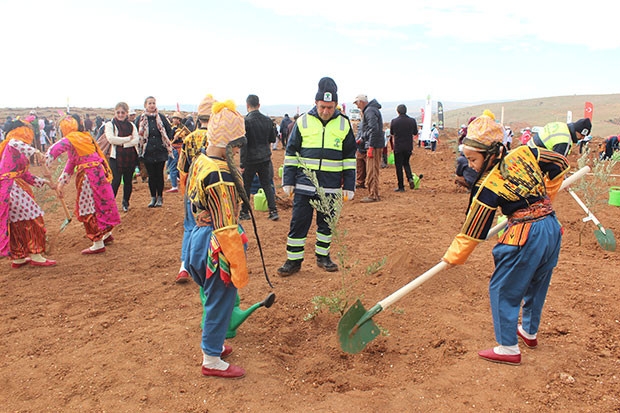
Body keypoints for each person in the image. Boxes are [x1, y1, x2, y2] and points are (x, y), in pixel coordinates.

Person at [441, 110, 570, 366]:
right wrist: (548, 198)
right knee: (537, 282)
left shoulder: (490, 185)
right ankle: (529, 332)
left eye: (473, 159)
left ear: (490, 154)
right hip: (551, 229)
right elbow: (559, 163)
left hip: (525, 234)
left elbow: (473, 231)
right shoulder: (525, 153)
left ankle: (508, 348)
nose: (470, 165)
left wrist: (452, 258)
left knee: (502, 288)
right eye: (466, 158)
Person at [183, 99, 249, 379]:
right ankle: (211, 358)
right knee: (220, 300)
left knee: (211, 299)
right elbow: (225, 228)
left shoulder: (202, 159)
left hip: (196, 240)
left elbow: (192, 202)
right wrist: (238, 266)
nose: (238, 152)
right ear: (228, 144)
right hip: (216, 247)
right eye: (236, 146)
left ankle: (215, 345)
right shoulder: (221, 175)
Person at [278, 77, 356, 276]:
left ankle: (323, 257)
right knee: (298, 224)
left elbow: (349, 157)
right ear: (316, 103)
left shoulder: (344, 124)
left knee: (327, 224)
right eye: (322, 107)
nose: (326, 111)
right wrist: (288, 180)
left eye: (330, 107)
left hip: (330, 186)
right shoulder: (303, 121)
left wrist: (349, 184)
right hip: (304, 185)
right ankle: (293, 261)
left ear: (336, 105)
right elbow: (291, 152)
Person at [46, 114, 121, 254]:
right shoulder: (85, 137)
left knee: (88, 206)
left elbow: (55, 150)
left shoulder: (72, 138)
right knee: (102, 202)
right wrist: (61, 183)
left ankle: (98, 242)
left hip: (88, 176)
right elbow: (72, 161)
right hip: (99, 172)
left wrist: (45, 161)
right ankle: (106, 234)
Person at [0, 119, 57, 267]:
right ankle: (36, 253)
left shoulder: (13, 148)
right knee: (33, 217)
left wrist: (44, 182)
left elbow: (25, 174)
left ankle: (18, 256)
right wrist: (37, 152)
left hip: (11, 188)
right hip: (12, 188)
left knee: (16, 222)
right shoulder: (12, 143)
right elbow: (16, 143)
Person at [175, 95, 215, 284]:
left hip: (192, 190)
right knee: (212, 227)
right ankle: (208, 265)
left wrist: (186, 190)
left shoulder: (189, 138)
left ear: (199, 118)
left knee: (190, 227)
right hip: (213, 191)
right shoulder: (216, 139)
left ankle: (184, 266)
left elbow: (182, 169)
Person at [239, 94, 279, 221]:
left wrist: (242, 164)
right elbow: (272, 139)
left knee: (246, 185)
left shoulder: (246, 121)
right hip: (265, 158)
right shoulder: (268, 121)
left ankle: (245, 212)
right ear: (259, 105)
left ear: (247, 105)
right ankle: (273, 211)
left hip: (250, 159)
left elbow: (244, 145)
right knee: (267, 184)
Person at [135, 96, 174, 208]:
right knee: (151, 176)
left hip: (160, 151)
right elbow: (136, 133)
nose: (152, 105)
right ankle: (153, 197)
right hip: (147, 152)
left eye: (153, 103)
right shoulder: (140, 119)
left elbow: (169, 130)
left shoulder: (161, 117)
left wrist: (165, 141)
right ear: (145, 105)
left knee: (159, 175)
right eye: (149, 103)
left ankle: (160, 197)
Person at [105, 102, 140, 212]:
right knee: (116, 181)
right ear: (115, 112)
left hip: (130, 157)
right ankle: (110, 204)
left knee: (128, 181)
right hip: (116, 157)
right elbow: (111, 139)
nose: (120, 115)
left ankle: (126, 202)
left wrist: (123, 144)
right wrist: (126, 139)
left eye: (123, 112)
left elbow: (136, 139)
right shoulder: (110, 125)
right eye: (118, 112)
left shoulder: (131, 125)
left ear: (126, 113)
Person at [354, 94, 384, 202]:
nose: (357, 106)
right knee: (372, 169)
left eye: (357, 103)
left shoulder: (369, 111)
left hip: (374, 145)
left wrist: (371, 146)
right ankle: (373, 192)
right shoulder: (371, 110)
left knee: (372, 170)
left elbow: (373, 129)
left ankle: (373, 195)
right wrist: (362, 139)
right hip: (373, 143)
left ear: (361, 102)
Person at [389, 104, 418, 192]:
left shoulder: (394, 121)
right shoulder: (412, 121)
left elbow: (392, 133)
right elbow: (415, 132)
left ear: (398, 111)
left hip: (398, 147)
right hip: (408, 146)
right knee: (406, 163)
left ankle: (401, 186)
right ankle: (410, 178)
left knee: (399, 167)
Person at [527, 118, 592, 157]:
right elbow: (557, 164)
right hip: (535, 157)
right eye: (582, 135)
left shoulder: (561, 125)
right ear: (577, 131)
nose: (582, 138)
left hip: (526, 150)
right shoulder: (565, 140)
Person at [166, 112, 188, 193]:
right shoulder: (172, 127)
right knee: (170, 166)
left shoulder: (181, 128)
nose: (173, 119)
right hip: (171, 148)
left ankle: (174, 186)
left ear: (179, 120)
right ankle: (177, 180)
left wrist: (179, 135)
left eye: (175, 118)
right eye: (173, 118)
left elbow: (184, 135)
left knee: (173, 167)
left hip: (176, 149)